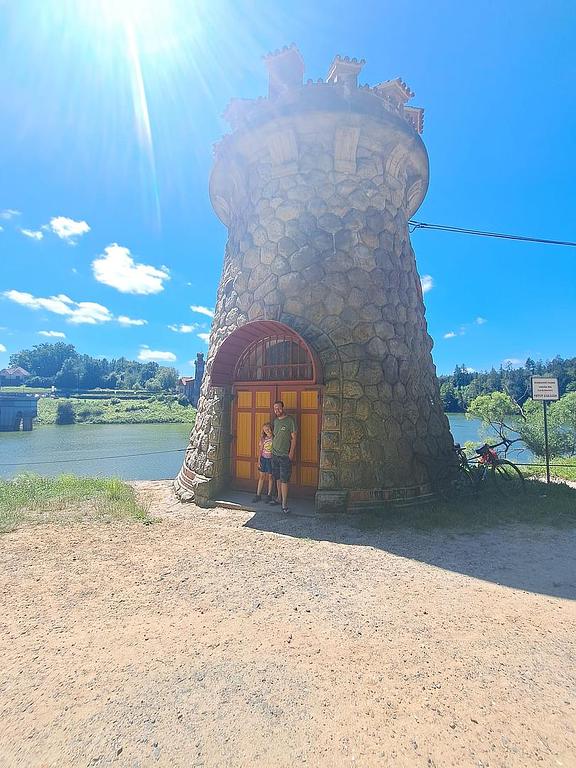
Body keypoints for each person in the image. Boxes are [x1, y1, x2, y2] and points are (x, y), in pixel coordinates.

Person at [268, 400, 297, 514]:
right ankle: (279, 498)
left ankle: (284, 504)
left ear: (283, 408)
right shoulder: (275, 421)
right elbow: (274, 436)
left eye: (279, 408)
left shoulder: (290, 420)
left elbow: (294, 438)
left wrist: (291, 453)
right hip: (275, 454)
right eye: (275, 409)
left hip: (285, 455)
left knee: (284, 479)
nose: (277, 410)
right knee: (277, 478)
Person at [252, 422, 274, 503]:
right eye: (265, 429)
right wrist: (259, 460)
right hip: (263, 459)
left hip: (271, 459)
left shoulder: (274, 438)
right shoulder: (263, 439)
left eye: (268, 429)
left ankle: (269, 495)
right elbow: (260, 450)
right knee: (261, 476)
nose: (267, 430)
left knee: (270, 477)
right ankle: (258, 495)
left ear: (271, 429)